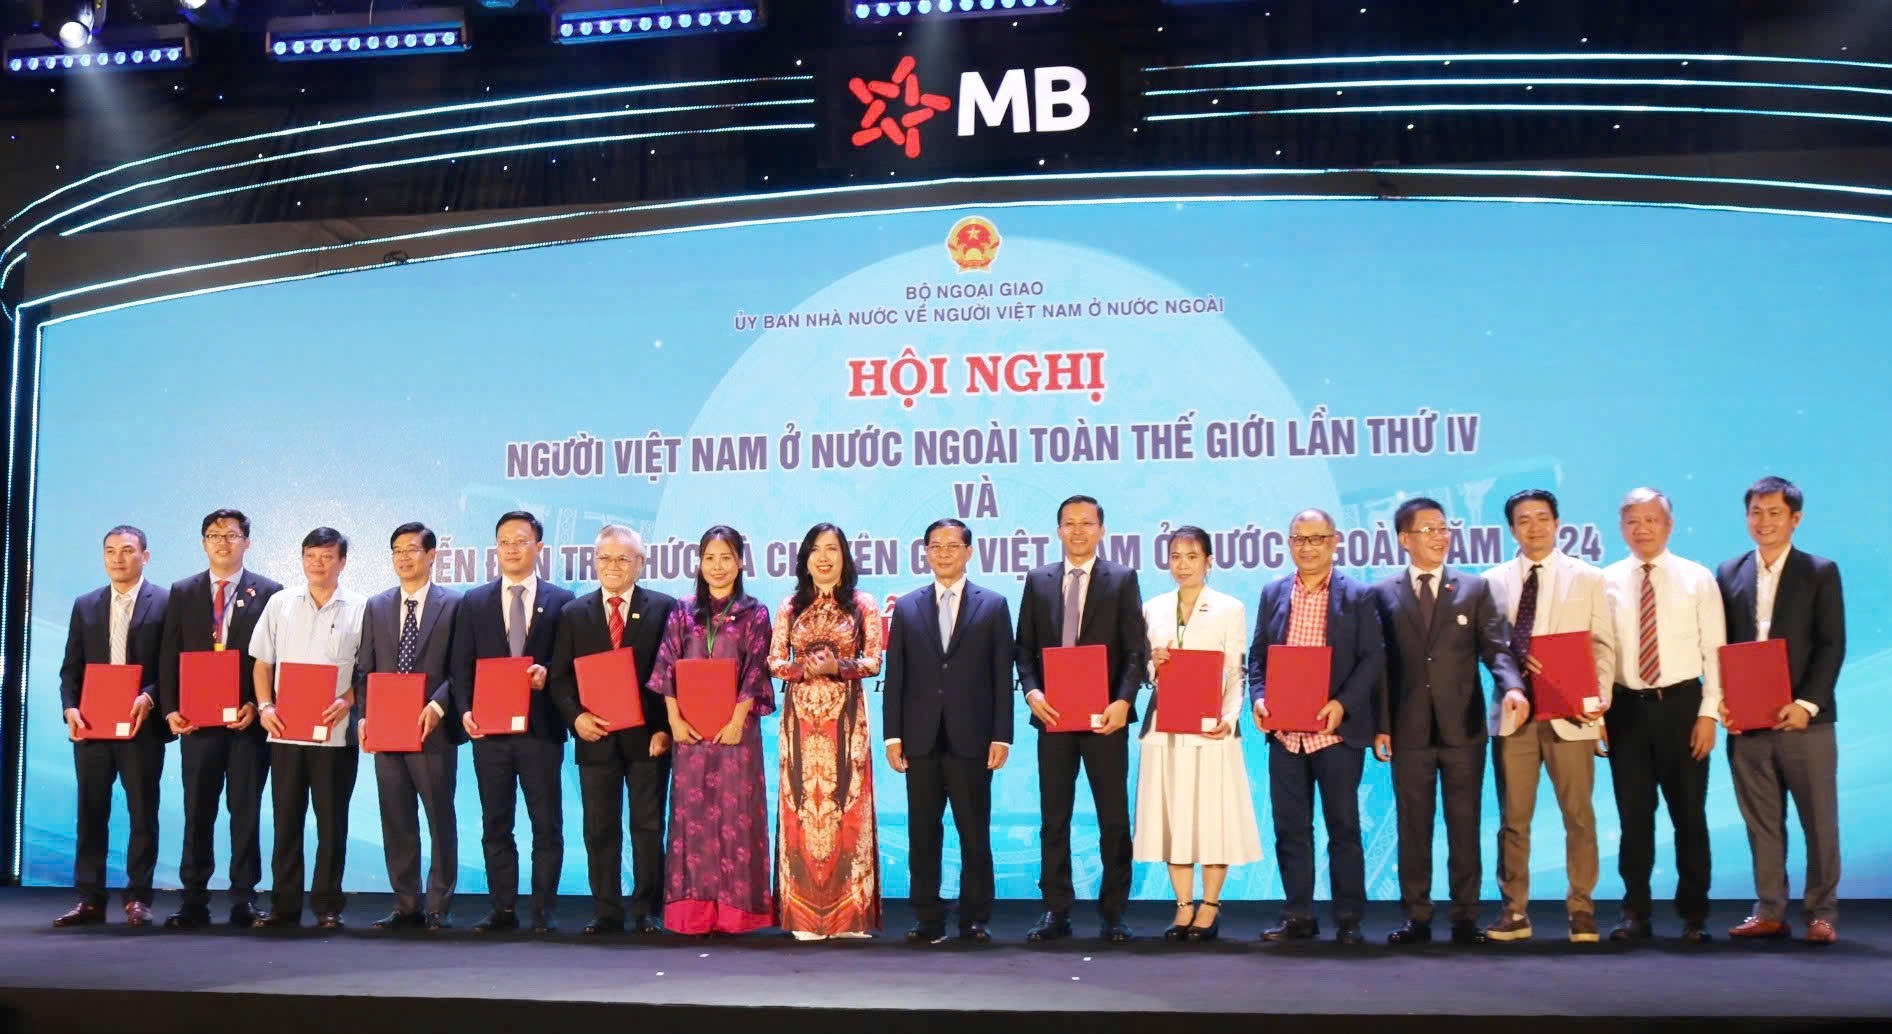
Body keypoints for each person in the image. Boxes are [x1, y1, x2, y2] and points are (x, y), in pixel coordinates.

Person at [1373, 497, 1523, 945]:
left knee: (1464, 823)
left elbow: (1496, 649)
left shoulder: (1473, 589)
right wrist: (1381, 725)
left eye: (1443, 528)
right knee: (1412, 826)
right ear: (1405, 539)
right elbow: (1380, 668)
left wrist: (1512, 687)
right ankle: (1417, 916)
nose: (1440, 537)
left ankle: (1465, 916)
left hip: (1463, 728)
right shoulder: (1382, 593)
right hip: (1408, 730)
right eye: (1429, 530)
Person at [1483, 490, 1617, 945]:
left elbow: (1602, 645)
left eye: (1542, 518)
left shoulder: (1589, 577)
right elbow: (1490, 647)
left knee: (1578, 815)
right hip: (1515, 716)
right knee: (1513, 819)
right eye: (1524, 520)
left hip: (1572, 714)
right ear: (1512, 529)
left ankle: (1582, 908)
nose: (1534, 527)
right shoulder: (1492, 582)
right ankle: (1514, 910)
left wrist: (1598, 702)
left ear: (1558, 523)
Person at [1715, 476, 1845, 944]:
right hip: (1748, 724)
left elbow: (1831, 644)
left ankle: (1822, 912)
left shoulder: (1819, 571)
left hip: (1805, 723)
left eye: (1774, 513)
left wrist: (1806, 703)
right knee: (1762, 823)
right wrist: (1722, 700)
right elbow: (1721, 644)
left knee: (1819, 822)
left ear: (1795, 518)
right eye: (1756, 512)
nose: (1764, 521)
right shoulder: (1728, 571)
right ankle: (1769, 910)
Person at [1016, 494, 1148, 943]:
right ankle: (1056, 910)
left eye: (1086, 523)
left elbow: (1135, 651)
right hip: (1053, 716)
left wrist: (1123, 701)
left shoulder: (1122, 579)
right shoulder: (1038, 580)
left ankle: (1114, 913)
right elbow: (1024, 649)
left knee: (1113, 818)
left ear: (1101, 530)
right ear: (1058, 530)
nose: (1077, 530)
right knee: (1054, 818)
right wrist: (1032, 692)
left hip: (1105, 718)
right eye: (1069, 523)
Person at [1248, 508, 1383, 945]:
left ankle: (1349, 920)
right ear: (1289, 543)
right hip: (1285, 735)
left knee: (1343, 829)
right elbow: (1258, 657)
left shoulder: (1358, 595)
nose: (1307, 547)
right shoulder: (1273, 592)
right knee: (1290, 830)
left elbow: (1373, 659)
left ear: (1334, 542)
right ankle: (1298, 916)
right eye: (1299, 539)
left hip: (1335, 734)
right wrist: (1259, 698)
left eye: (1317, 538)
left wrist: (1343, 704)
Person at [883, 518, 1014, 945]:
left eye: (952, 546)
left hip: (972, 738)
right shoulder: (907, 607)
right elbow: (896, 676)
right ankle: (927, 918)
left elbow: (1001, 675)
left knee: (974, 833)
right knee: (923, 834)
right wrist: (892, 736)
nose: (943, 553)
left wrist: (1001, 735)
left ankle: (974, 919)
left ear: (969, 552)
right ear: (925, 553)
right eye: (935, 546)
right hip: (920, 739)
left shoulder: (992, 605)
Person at [1602, 486, 1724, 943]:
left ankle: (1694, 915)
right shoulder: (1606, 581)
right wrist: (1597, 715)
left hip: (1682, 708)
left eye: (1651, 520)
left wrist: (1709, 714)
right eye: (1633, 521)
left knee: (1689, 816)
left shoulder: (1697, 578)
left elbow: (1716, 651)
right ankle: (1635, 911)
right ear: (1621, 528)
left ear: (1669, 526)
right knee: (1634, 817)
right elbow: (1599, 654)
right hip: (1625, 711)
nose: (1642, 529)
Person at [548, 525, 679, 936]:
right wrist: (576, 718)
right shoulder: (574, 613)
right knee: (600, 828)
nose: (613, 566)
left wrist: (666, 729)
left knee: (648, 827)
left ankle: (646, 911)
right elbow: (559, 678)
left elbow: (674, 675)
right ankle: (606, 910)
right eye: (605, 558)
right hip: (596, 738)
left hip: (649, 740)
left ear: (641, 563)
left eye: (623, 558)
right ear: (594, 562)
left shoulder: (665, 608)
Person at [450, 510, 575, 934]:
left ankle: (543, 912)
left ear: (539, 547)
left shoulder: (562, 600)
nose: (512, 549)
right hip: (490, 732)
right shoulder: (474, 601)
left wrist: (548, 672)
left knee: (546, 825)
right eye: (504, 541)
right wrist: (465, 710)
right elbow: (461, 665)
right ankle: (502, 909)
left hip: (541, 730)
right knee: (495, 824)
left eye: (521, 541)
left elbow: (569, 661)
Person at [158, 508, 283, 929]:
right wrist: (171, 708)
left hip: (246, 724)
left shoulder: (269, 592)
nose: (222, 542)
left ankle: (244, 899)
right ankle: (193, 899)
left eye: (231, 535)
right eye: (214, 535)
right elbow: (169, 654)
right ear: (203, 543)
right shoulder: (184, 591)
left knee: (245, 812)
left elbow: (275, 659)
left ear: (247, 542)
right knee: (198, 811)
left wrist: (258, 704)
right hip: (197, 723)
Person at [648, 525, 775, 936]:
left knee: (737, 819)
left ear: (740, 562)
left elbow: (755, 671)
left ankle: (738, 912)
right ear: (699, 564)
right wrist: (675, 721)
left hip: (736, 734)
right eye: (709, 559)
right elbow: (666, 667)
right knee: (692, 821)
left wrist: (737, 722)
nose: (717, 567)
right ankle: (692, 912)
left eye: (726, 558)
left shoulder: (755, 612)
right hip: (689, 733)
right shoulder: (683, 610)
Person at [1136, 526, 1260, 943]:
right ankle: (1183, 904)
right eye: (1175, 556)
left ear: (1209, 561)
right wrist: (1153, 663)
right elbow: (1146, 673)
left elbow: (1236, 670)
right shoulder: (1153, 608)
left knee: (1211, 815)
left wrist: (1230, 717)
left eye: (1191, 556)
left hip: (1211, 729)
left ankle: (1210, 904)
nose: (1183, 565)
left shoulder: (1229, 608)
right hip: (1166, 728)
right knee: (1174, 815)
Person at [768, 522, 885, 940]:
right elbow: (774, 662)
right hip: (799, 723)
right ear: (805, 558)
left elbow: (874, 661)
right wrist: (801, 670)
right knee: (802, 811)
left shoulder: (863, 605)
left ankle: (850, 919)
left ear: (844, 557)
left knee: (847, 808)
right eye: (816, 549)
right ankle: (805, 920)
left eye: (832, 549)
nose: (824, 557)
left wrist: (839, 667)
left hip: (847, 721)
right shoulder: (789, 607)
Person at [53, 526, 171, 928]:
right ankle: (90, 900)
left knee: (143, 813)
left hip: (141, 725)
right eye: (110, 551)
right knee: (90, 813)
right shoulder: (86, 604)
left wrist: (150, 697)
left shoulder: (166, 602)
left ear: (145, 556)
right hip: (92, 726)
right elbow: (71, 669)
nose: (118, 558)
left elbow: (171, 666)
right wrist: (70, 709)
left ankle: (138, 898)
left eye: (127, 550)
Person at [251, 527, 368, 930]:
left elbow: (367, 672)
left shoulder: (360, 608)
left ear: (342, 562)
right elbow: (262, 663)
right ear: (302, 559)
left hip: (335, 735)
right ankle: (284, 905)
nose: (318, 563)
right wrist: (264, 705)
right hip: (284, 731)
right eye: (311, 556)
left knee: (332, 824)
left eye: (327, 556)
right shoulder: (280, 603)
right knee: (286, 821)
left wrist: (347, 701)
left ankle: (327, 906)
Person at [355, 522, 462, 931]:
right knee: (396, 818)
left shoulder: (454, 604)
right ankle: (405, 904)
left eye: (412, 549)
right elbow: (365, 669)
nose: (403, 557)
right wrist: (364, 716)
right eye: (397, 550)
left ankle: (438, 906)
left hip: (431, 728)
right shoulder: (377, 605)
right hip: (386, 728)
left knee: (439, 818)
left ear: (431, 555)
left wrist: (439, 704)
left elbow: (461, 667)